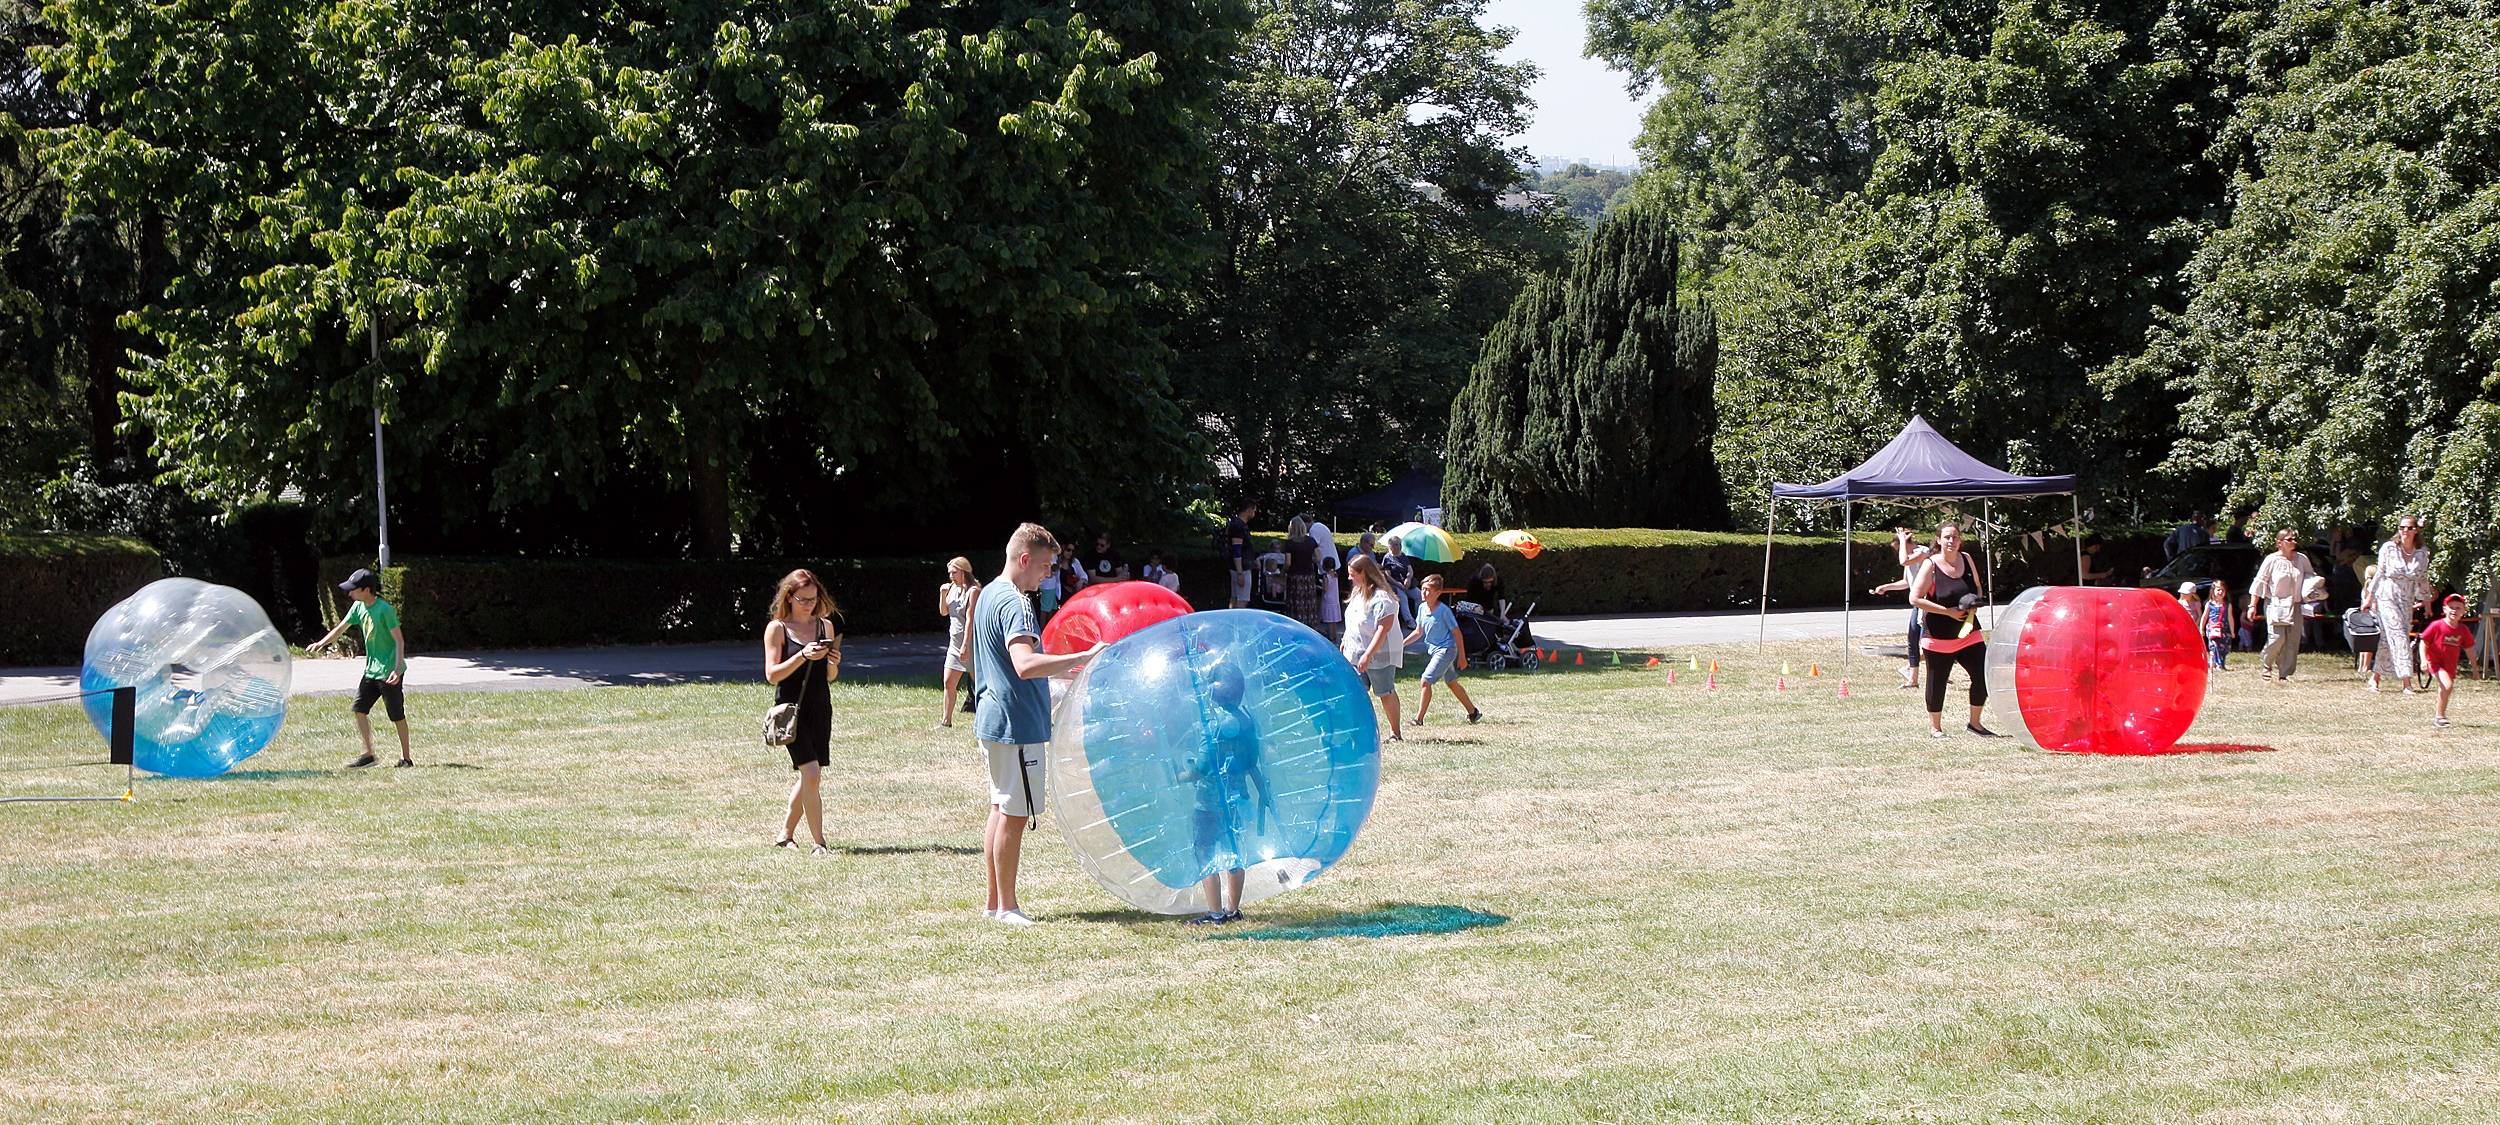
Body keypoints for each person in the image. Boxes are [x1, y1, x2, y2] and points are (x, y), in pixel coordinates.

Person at [971, 523, 1104, 925]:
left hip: (994, 718)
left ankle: (995, 904)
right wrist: (1081, 657)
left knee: (999, 808)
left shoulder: (988, 594)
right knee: (1012, 813)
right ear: (1025, 559)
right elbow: (1025, 664)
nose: (1048, 574)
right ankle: (1007, 906)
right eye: (1045, 566)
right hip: (1016, 724)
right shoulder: (1014, 603)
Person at [761, 569, 841, 852]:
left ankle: (785, 835)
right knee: (811, 773)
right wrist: (801, 655)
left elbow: (829, 677)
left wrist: (832, 661)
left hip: (820, 708)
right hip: (790, 712)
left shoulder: (825, 627)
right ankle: (819, 843)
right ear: (789, 597)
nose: (809, 604)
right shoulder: (778, 628)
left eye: (813, 598)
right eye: (803, 599)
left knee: (810, 773)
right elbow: (772, 674)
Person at [307, 568, 412, 769]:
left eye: (353, 589)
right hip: (371, 670)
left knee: (396, 715)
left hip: (390, 671)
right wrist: (321, 643)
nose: (349, 593)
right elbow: (340, 628)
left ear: (366, 590)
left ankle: (406, 758)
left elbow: (399, 640)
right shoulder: (358, 607)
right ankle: (368, 755)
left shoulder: (384, 610)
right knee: (359, 709)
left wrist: (397, 669)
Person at [1910, 522, 1995, 738]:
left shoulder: (1966, 558)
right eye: (1947, 537)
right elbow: (1915, 598)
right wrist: (1946, 612)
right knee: (1937, 681)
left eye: (1955, 537)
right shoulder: (1931, 565)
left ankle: (1975, 723)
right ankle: (1936, 728)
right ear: (1938, 540)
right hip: (1938, 636)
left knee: (1983, 674)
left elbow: (1977, 586)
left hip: (1969, 632)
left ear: (1960, 540)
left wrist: (1974, 601)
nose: (1951, 541)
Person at [1341, 553, 1404, 743]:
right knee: (1356, 693)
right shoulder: (1358, 594)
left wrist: (1369, 654)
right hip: (1356, 652)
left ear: (1365, 574)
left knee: (1385, 692)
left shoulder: (1383, 599)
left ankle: (1395, 733)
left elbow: (1382, 630)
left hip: (1380, 654)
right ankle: (1358, 733)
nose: (1350, 578)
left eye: (1353, 574)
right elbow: (1353, 621)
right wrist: (1345, 638)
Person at [1405, 574, 1480, 726]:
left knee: (1425, 681)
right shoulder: (1421, 608)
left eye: (1428, 590)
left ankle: (1418, 719)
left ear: (1438, 593)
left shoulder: (1444, 611)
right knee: (1452, 683)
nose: (1424, 593)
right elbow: (1418, 632)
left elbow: (1457, 633)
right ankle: (1473, 712)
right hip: (1435, 651)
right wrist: (1402, 644)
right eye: (1423, 589)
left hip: (1446, 650)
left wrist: (1462, 657)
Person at [2367, 515, 2431, 694]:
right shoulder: (2389, 548)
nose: (2405, 531)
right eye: (2402, 527)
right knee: (2400, 636)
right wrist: (2369, 597)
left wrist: (2427, 604)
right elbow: (2379, 573)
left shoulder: (2422, 552)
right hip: (2387, 596)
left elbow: (2423, 579)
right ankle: (2406, 681)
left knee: (2388, 640)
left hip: (2407, 600)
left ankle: (2375, 678)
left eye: (2409, 528)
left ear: (2416, 530)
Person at [2246, 528, 2318, 681]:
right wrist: (2252, 605)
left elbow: (2310, 578)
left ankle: (2284, 674)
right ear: (2279, 543)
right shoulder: (2271, 560)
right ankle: (2267, 665)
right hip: (2275, 604)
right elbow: (2260, 582)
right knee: (2276, 638)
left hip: (2296, 604)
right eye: (2289, 539)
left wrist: (2314, 591)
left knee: (2292, 641)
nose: (2294, 542)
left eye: (2294, 539)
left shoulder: (2302, 559)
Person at [1870, 527, 1936, 689]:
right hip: (1917, 604)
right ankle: (1913, 680)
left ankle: (1939, 670)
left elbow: (1904, 561)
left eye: (1898, 547)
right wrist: (1885, 587)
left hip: (1927, 602)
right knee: (1912, 641)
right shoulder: (1909, 558)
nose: (1897, 551)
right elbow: (1906, 582)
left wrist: (1901, 538)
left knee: (1928, 642)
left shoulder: (1923, 552)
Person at [2423, 594, 2474, 727]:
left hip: (2449, 665)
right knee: (2447, 686)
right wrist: (2423, 660)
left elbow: (2469, 648)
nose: (2454, 610)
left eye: (2458, 608)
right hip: (2435, 662)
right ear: (2444, 609)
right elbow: (2424, 642)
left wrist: (2475, 668)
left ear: (2463, 612)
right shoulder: (2437, 625)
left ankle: (2440, 715)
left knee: (2446, 688)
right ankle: (2440, 717)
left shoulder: (2463, 630)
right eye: (2451, 607)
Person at [938, 557, 978, 728]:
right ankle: (946, 721)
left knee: (981, 683)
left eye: (954, 572)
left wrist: (966, 645)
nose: (951, 576)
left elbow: (970, 619)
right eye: (949, 573)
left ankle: (987, 718)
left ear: (964, 572)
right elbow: (943, 612)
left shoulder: (973, 591)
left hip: (970, 644)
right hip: (954, 644)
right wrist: (942, 594)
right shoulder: (951, 589)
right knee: (948, 683)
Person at [1282, 516, 1320, 629]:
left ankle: (1296, 624)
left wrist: (1283, 571)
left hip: (1295, 576)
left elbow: (1288, 563)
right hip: (1308, 575)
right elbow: (1318, 557)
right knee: (1309, 601)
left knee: (1296, 602)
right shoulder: (1311, 541)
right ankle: (1310, 624)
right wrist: (1309, 560)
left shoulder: (1289, 543)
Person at [1223, 501, 1257, 608]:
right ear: (1249, 510)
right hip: (1242, 568)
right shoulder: (1239, 527)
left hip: (1238, 567)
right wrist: (1240, 573)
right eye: (1254, 510)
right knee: (1242, 600)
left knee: (1234, 597)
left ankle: (1231, 620)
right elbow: (1237, 550)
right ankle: (1237, 622)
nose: (1254, 513)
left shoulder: (1237, 525)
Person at [1379, 535, 1417, 628]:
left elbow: (1410, 570)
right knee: (1403, 597)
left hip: (1407, 584)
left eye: (1398, 544)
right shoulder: (1387, 558)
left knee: (1419, 595)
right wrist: (1398, 584)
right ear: (1390, 546)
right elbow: (1387, 576)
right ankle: (1409, 621)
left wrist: (1408, 578)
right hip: (1394, 584)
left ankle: (1418, 618)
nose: (1397, 546)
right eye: (1395, 544)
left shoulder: (1403, 555)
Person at [2204, 578, 2233, 670]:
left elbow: (2230, 618)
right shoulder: (2209, 604)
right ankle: (2217, 664)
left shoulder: (2228, 605)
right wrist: (2201, 628)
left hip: (2224, 630)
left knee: (2224, 647)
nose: (2220, 592)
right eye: (2218, 589)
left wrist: (2232, 631)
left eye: (2222, 590)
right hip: (2212, 629)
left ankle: (2220, 664)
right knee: (2215, 646)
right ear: (2213, 591)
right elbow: (2204, 617)